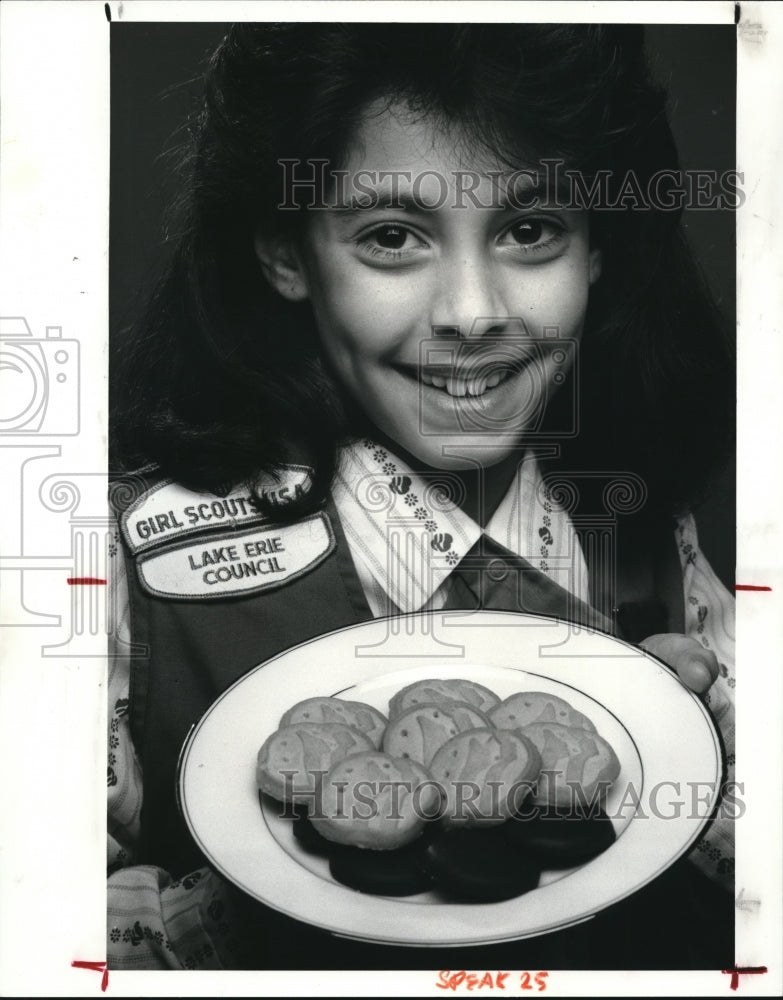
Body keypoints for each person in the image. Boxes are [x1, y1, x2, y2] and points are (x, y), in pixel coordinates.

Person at [108, 22, 736, 971]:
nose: (472, 314)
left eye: (531, 230)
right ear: (286, 255)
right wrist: (240, 921)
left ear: (598, 249)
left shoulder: (647, 522)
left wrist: (717, 782)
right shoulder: (116, 570)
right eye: (391, 238)